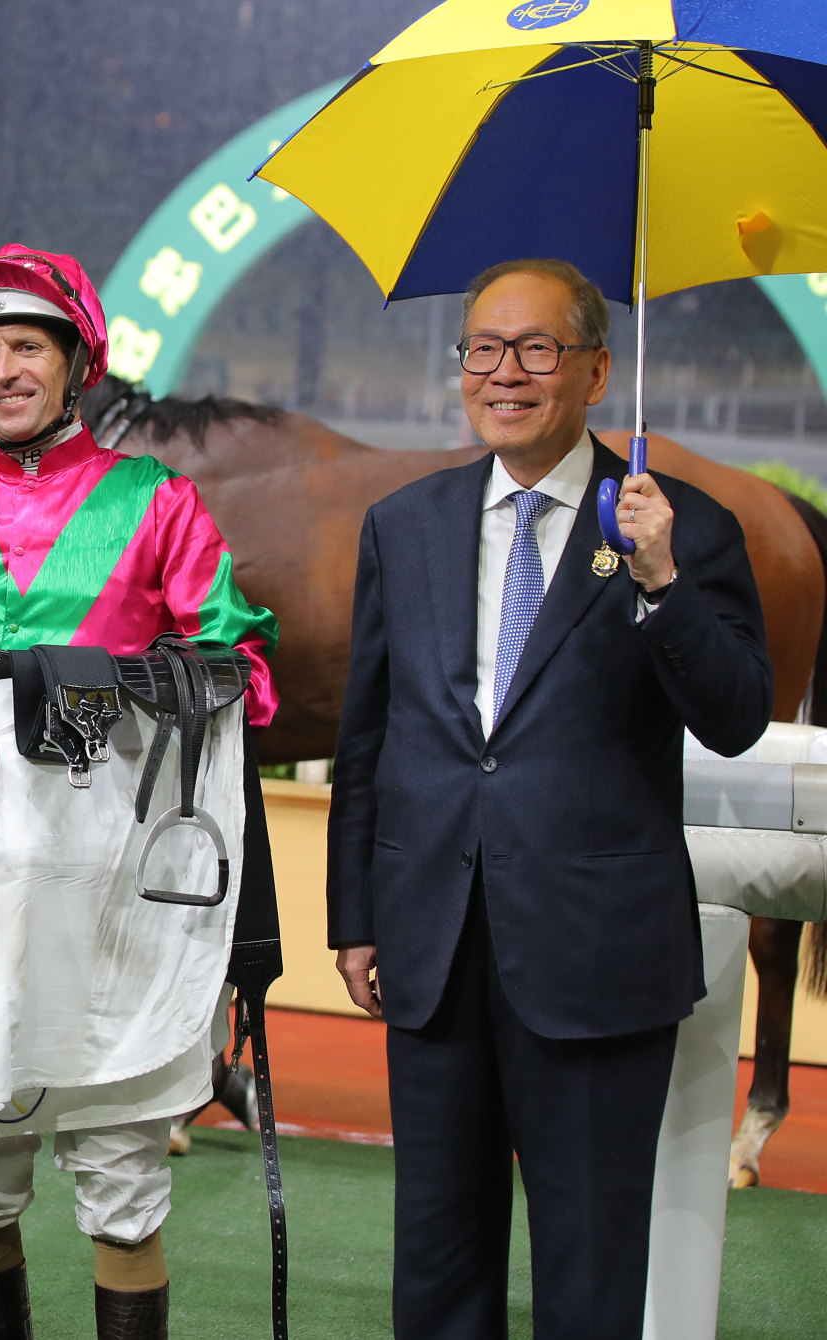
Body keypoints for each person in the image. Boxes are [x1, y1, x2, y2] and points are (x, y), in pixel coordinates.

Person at [0, 244, 278, 1340]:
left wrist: (114, 688)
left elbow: (248, 677)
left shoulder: (159, 503)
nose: (4, 370)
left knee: (122, 1191)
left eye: (26, 345)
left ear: (77, 364)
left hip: (119, 904)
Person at [327, 258, 773, 1339]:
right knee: (436, 1260)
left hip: (596, 950)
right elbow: (369, 736)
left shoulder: (679, 525)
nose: (505, 373)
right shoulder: (404, 523)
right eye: (483, 348)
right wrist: (355, 916)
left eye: (535, 349)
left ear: (596, 371)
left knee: (588, 1268)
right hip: (433, 943)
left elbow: (735, 716)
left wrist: (660, 578)